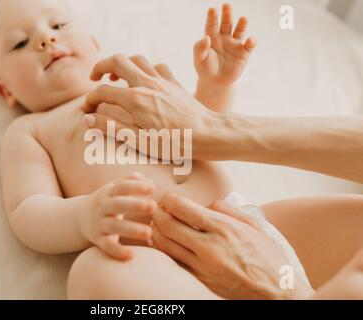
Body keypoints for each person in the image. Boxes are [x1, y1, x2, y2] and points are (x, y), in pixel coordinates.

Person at [82, 51, 363, 298]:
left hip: (184, 258)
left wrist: (282, 292)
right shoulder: (39, 128)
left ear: (93, 43)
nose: (47, 39)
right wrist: (213, 104)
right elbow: (37, 212)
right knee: (93, 275)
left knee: (95, 274)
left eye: (59, 24)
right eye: (33, 41)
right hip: (244, 223)